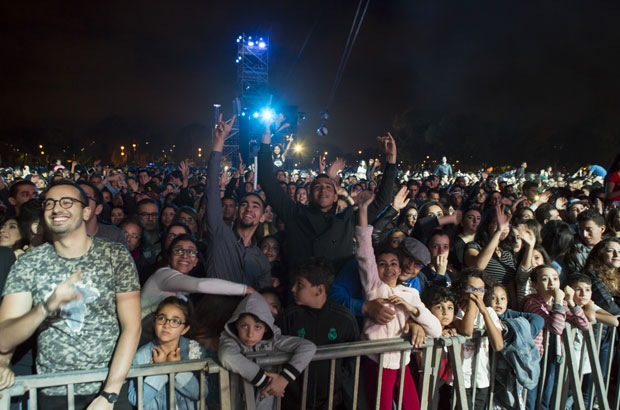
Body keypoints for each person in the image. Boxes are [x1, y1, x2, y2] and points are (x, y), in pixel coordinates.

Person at [0, 181, 141, 408]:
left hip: (107, 387)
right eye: (50, 203)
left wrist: (109, 395)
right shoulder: (29, 263)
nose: (57, 209)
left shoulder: (114, 255)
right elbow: (3, 337)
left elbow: (132, 327)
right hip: (52, 391)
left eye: (67, 202)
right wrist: (45, 308)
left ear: (86, 211)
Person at [258, 127, 398, 279]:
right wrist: (265, 144)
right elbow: (268, 183)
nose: (323, 189)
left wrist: (391, 159)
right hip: (298, 295)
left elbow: (382, 201)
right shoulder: (294, 213)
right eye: (317, 186)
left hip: (336, 295)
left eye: (328, 187)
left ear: (336, 197)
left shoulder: (347, 219)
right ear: (310, 196)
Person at [355, 189, 441, 410]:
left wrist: (413, 311)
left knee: (412, 406)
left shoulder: (410, 294)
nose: (389, 268)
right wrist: (363, 209)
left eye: (393, 263)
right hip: (378, 363)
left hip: (403, 363)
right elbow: (365, 250)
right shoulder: (375, 288)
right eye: (382, 264)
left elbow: (436, 331)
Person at [278, 257, 360, 410]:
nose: (293, 289)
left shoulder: (345, 319)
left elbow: (352, 362)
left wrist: (338, 381)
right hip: (293, 402)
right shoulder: (289, 317)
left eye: (300, 285)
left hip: (332, 402)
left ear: (319, 289)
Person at [206, 115, 272, 289]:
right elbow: (212, 189)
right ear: (237, 211)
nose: (249, 208)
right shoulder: (220, 234)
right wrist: (219, 142)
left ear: (263, 217)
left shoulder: (261, 260)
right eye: (244, 204)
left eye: (255, 206)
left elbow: (263, 298)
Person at [218, 294, 316, 410]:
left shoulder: (274, 340)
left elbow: (308, 347)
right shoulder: (231, 340)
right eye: (244, 326)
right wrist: (267, 382)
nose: (250, 334)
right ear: (236, 324)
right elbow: (226, 355)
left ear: (266, 328)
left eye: (257, 327)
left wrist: (283, 380)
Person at [522, 265, 589, 410]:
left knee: (546, 398)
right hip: (535, 356)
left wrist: (571, 302)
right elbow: (556, 328)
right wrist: (559, 303)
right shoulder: (531, 303)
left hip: (553, 356)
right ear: (534, 285)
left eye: (555, 278)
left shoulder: (560, 303)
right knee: (530, 398)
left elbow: (584, 325)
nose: (551, 283)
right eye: (545, 279)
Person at [128, 297, 207, 410]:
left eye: (175, 321)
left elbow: (201, 393)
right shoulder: (141, 355)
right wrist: (160, 369)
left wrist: (176, 370)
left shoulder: (194, 350)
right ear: (154, 322)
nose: (167, 325)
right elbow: (135, 399)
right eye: (162, 318)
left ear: (185, 329)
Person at [451, 268, 504, 410]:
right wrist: (473, 305)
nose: (475, 293)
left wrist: (485, 312)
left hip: (481, 379)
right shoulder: (456, 311)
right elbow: (467, 330)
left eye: (480, 290)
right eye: (470, 288)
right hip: (460, 378)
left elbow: (498, 345)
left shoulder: (489, 312)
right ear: (462, 289)